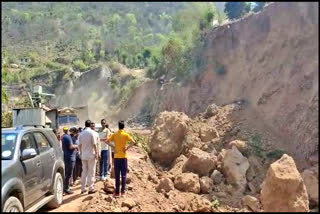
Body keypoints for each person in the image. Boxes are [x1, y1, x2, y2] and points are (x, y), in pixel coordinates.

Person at [105, 120, 136, 198]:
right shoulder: (125, 134)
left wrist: (113, 147)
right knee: (124, 175)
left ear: (118, 126)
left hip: (116, 157)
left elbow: (107, 141)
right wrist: (127, 148)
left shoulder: (115, 134)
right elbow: (133, 142)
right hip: (124, 157)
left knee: (117, 175)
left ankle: (117, 192)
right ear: (123, 126)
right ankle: (123, 191)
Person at [79, 120, 100, 194]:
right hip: (91, 155)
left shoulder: (81, 133)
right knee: (91, 171)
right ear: (90, 125)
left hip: (84, 155)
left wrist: (81, 152)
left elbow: (79, 145)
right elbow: (94, 144)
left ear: (85, 125)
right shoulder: (92, 133)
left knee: (84, 171)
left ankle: (82, 188)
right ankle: (90, 188)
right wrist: (97, 153)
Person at [61, 127, 78, 194]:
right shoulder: (68, 137)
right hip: (70, 157)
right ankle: (66, 189)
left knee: (67, 173)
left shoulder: (64, 137)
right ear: (73, 132)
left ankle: (65, 188)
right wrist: (76, 146)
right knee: (69, 174)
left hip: (67, 157)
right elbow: (71, 147)